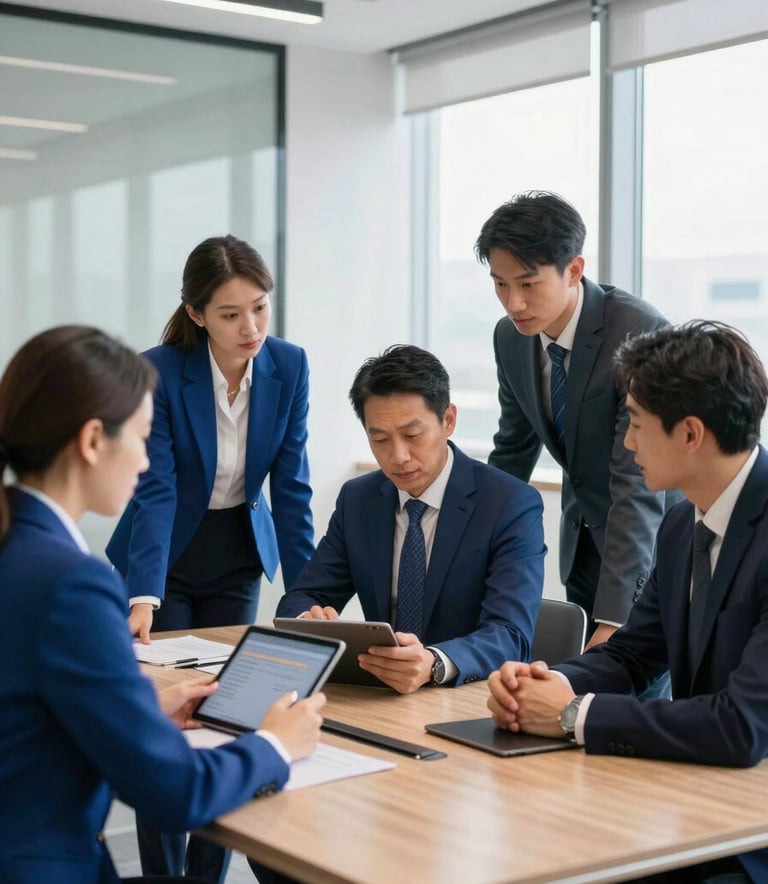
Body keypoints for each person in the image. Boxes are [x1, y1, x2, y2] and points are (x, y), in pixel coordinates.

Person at [0, 325, 325, 884]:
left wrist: (145, 713)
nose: (148, 464)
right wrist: (276, 744)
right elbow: (176, 792)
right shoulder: (72, 585)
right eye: (144, 440)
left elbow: (29, 719)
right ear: (93, 440)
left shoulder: (17, 548)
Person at [487, 321, 768, 884]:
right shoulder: (682, 522)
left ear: (691, 434)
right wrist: (550, 684)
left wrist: (571, 717)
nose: (629, 442)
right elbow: (634, 656)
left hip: (750, 837)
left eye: (636, 424)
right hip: (699, 801)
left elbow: (742, 727)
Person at [106, 235, 315, 882]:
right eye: (230, 314)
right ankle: (165, 875)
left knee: (232, 714)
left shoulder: (290, 364)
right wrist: (144, 592)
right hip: (163, 555)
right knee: (169, 722)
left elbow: (293, 487)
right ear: (197, 314)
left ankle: (207, 877)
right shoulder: (162, 372)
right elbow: (157, 488)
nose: (249, 326)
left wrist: (305, 599)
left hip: (238, 554)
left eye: (259, 307)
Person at [276, 344, 546, 694]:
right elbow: (302, 596)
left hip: (465, 696)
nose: (398, 456)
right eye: (380, 439)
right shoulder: (358, 500)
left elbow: (510, 634)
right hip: (380, 695)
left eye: (413, 436)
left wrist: (433, 662)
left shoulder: (509, 504)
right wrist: (308, 621)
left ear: (448, 419)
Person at [476, 191, 678, 649]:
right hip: (581, 543)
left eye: (528, 284)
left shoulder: (638, 331)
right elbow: (512, 450)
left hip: (645, 552)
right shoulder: (511, 338)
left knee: (633, 697)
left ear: (574, 270)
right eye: (500, 284)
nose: (513, 303)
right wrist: (465, 543)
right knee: (573, 703)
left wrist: (616, 616)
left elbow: (638, 478)